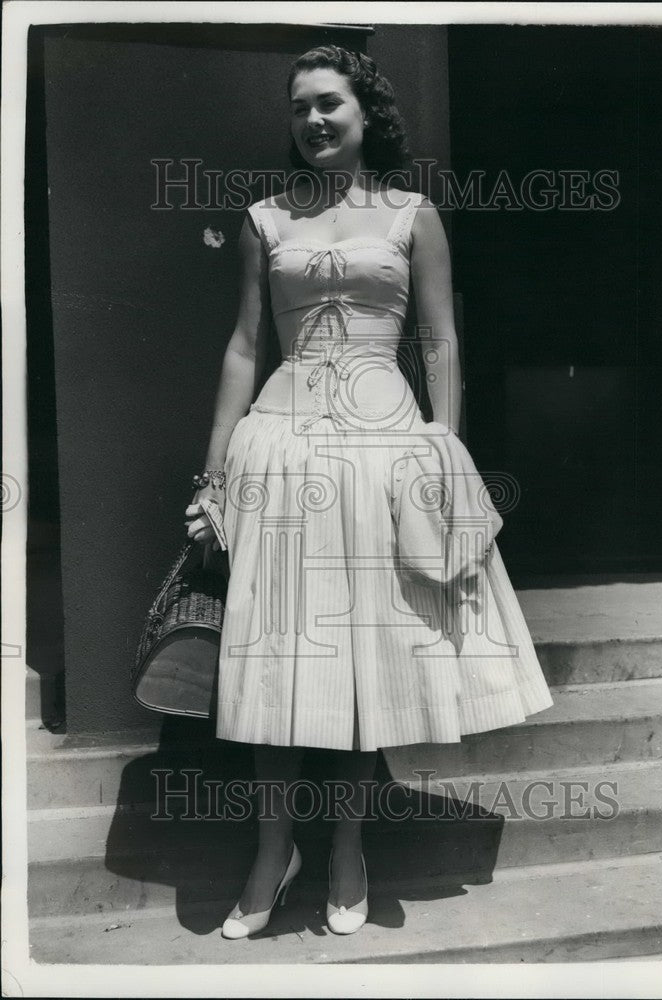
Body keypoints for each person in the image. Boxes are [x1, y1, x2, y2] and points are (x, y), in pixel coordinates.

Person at [185, 45, 553, 940]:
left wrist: (440, 447)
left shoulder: (412, 214)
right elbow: (244, 347)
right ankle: (275, 852)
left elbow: (441, 344)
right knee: (275, 661)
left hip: (384, 453)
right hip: (282, 450)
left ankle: (348, 848)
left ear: (365, 113)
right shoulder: (264, 218)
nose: (315, 120)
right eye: (301, 106)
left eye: (330, 104)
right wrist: (213, 476)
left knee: (361, 664)